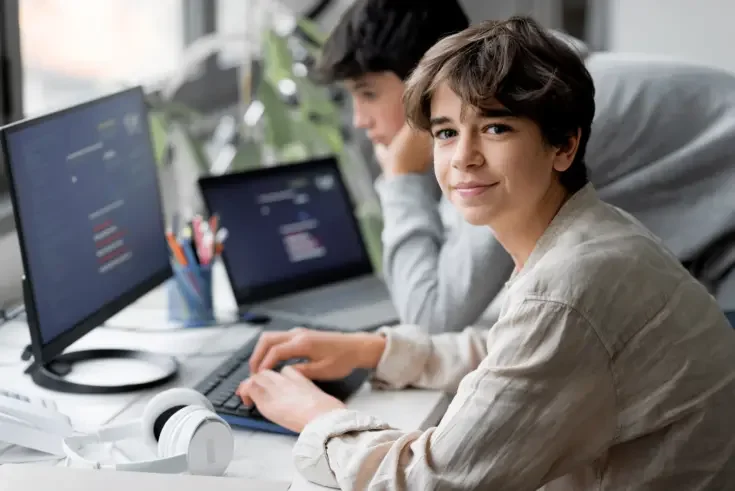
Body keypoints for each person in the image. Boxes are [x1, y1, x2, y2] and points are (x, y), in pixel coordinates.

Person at [236, 17, 735, 489]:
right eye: (447, 132)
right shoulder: (593, 235)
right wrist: (378, 351)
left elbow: (428, 482)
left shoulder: (570, 286)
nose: (464, 158)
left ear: (564, 145)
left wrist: (318, 418)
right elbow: (521, 352)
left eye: (496, 127)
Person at [314, 0, 735, 333]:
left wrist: (402, 179)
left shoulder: (538, 124)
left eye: (367, 93)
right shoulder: (537, 93)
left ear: (425, 77)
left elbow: (433, 313)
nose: (359, 120)